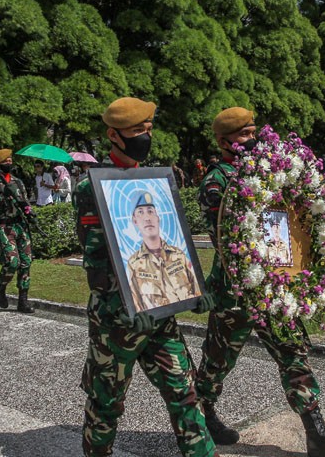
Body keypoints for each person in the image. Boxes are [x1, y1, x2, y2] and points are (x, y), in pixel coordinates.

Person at [195, 107, 325, 456]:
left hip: (274, 288)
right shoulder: (217, 181)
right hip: (234, 291)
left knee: (292, 350)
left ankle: (316, 430)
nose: (252, 139)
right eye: (244, 134)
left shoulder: (271, 171)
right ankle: (206, 413)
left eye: (253, 132)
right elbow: (226, 240)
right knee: (218, 360)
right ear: (224, 141)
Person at [73, 97, 218, 457]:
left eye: (148, 129)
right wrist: (121, 301)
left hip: (159, 313)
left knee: (185, 392)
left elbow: (172, 241)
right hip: (117, 319)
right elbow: (96, 260)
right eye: (138, 130)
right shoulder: (91, 187)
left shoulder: (154, 179)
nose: (145, 136)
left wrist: (192, 289)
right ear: (113, 134)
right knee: (107, 403)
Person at [126, 191, 201, 312]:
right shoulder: (134, 264)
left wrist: (200, 302)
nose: (147, 218)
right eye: (140, 212)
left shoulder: (179, 255)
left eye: (150, 211)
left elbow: (197, 290)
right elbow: (136, 305)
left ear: (157, 217)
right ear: (135, 221)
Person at [0, 148, 34, 313]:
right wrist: (3, 196)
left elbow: (25, 202)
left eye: (11, 160)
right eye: (6, 161)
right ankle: (0, 286)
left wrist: (30, 213)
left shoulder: (17, 181)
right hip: (4, 226)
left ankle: (23, 301)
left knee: (26, 262)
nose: (9, 163)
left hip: (21, 225)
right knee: (12, 262)